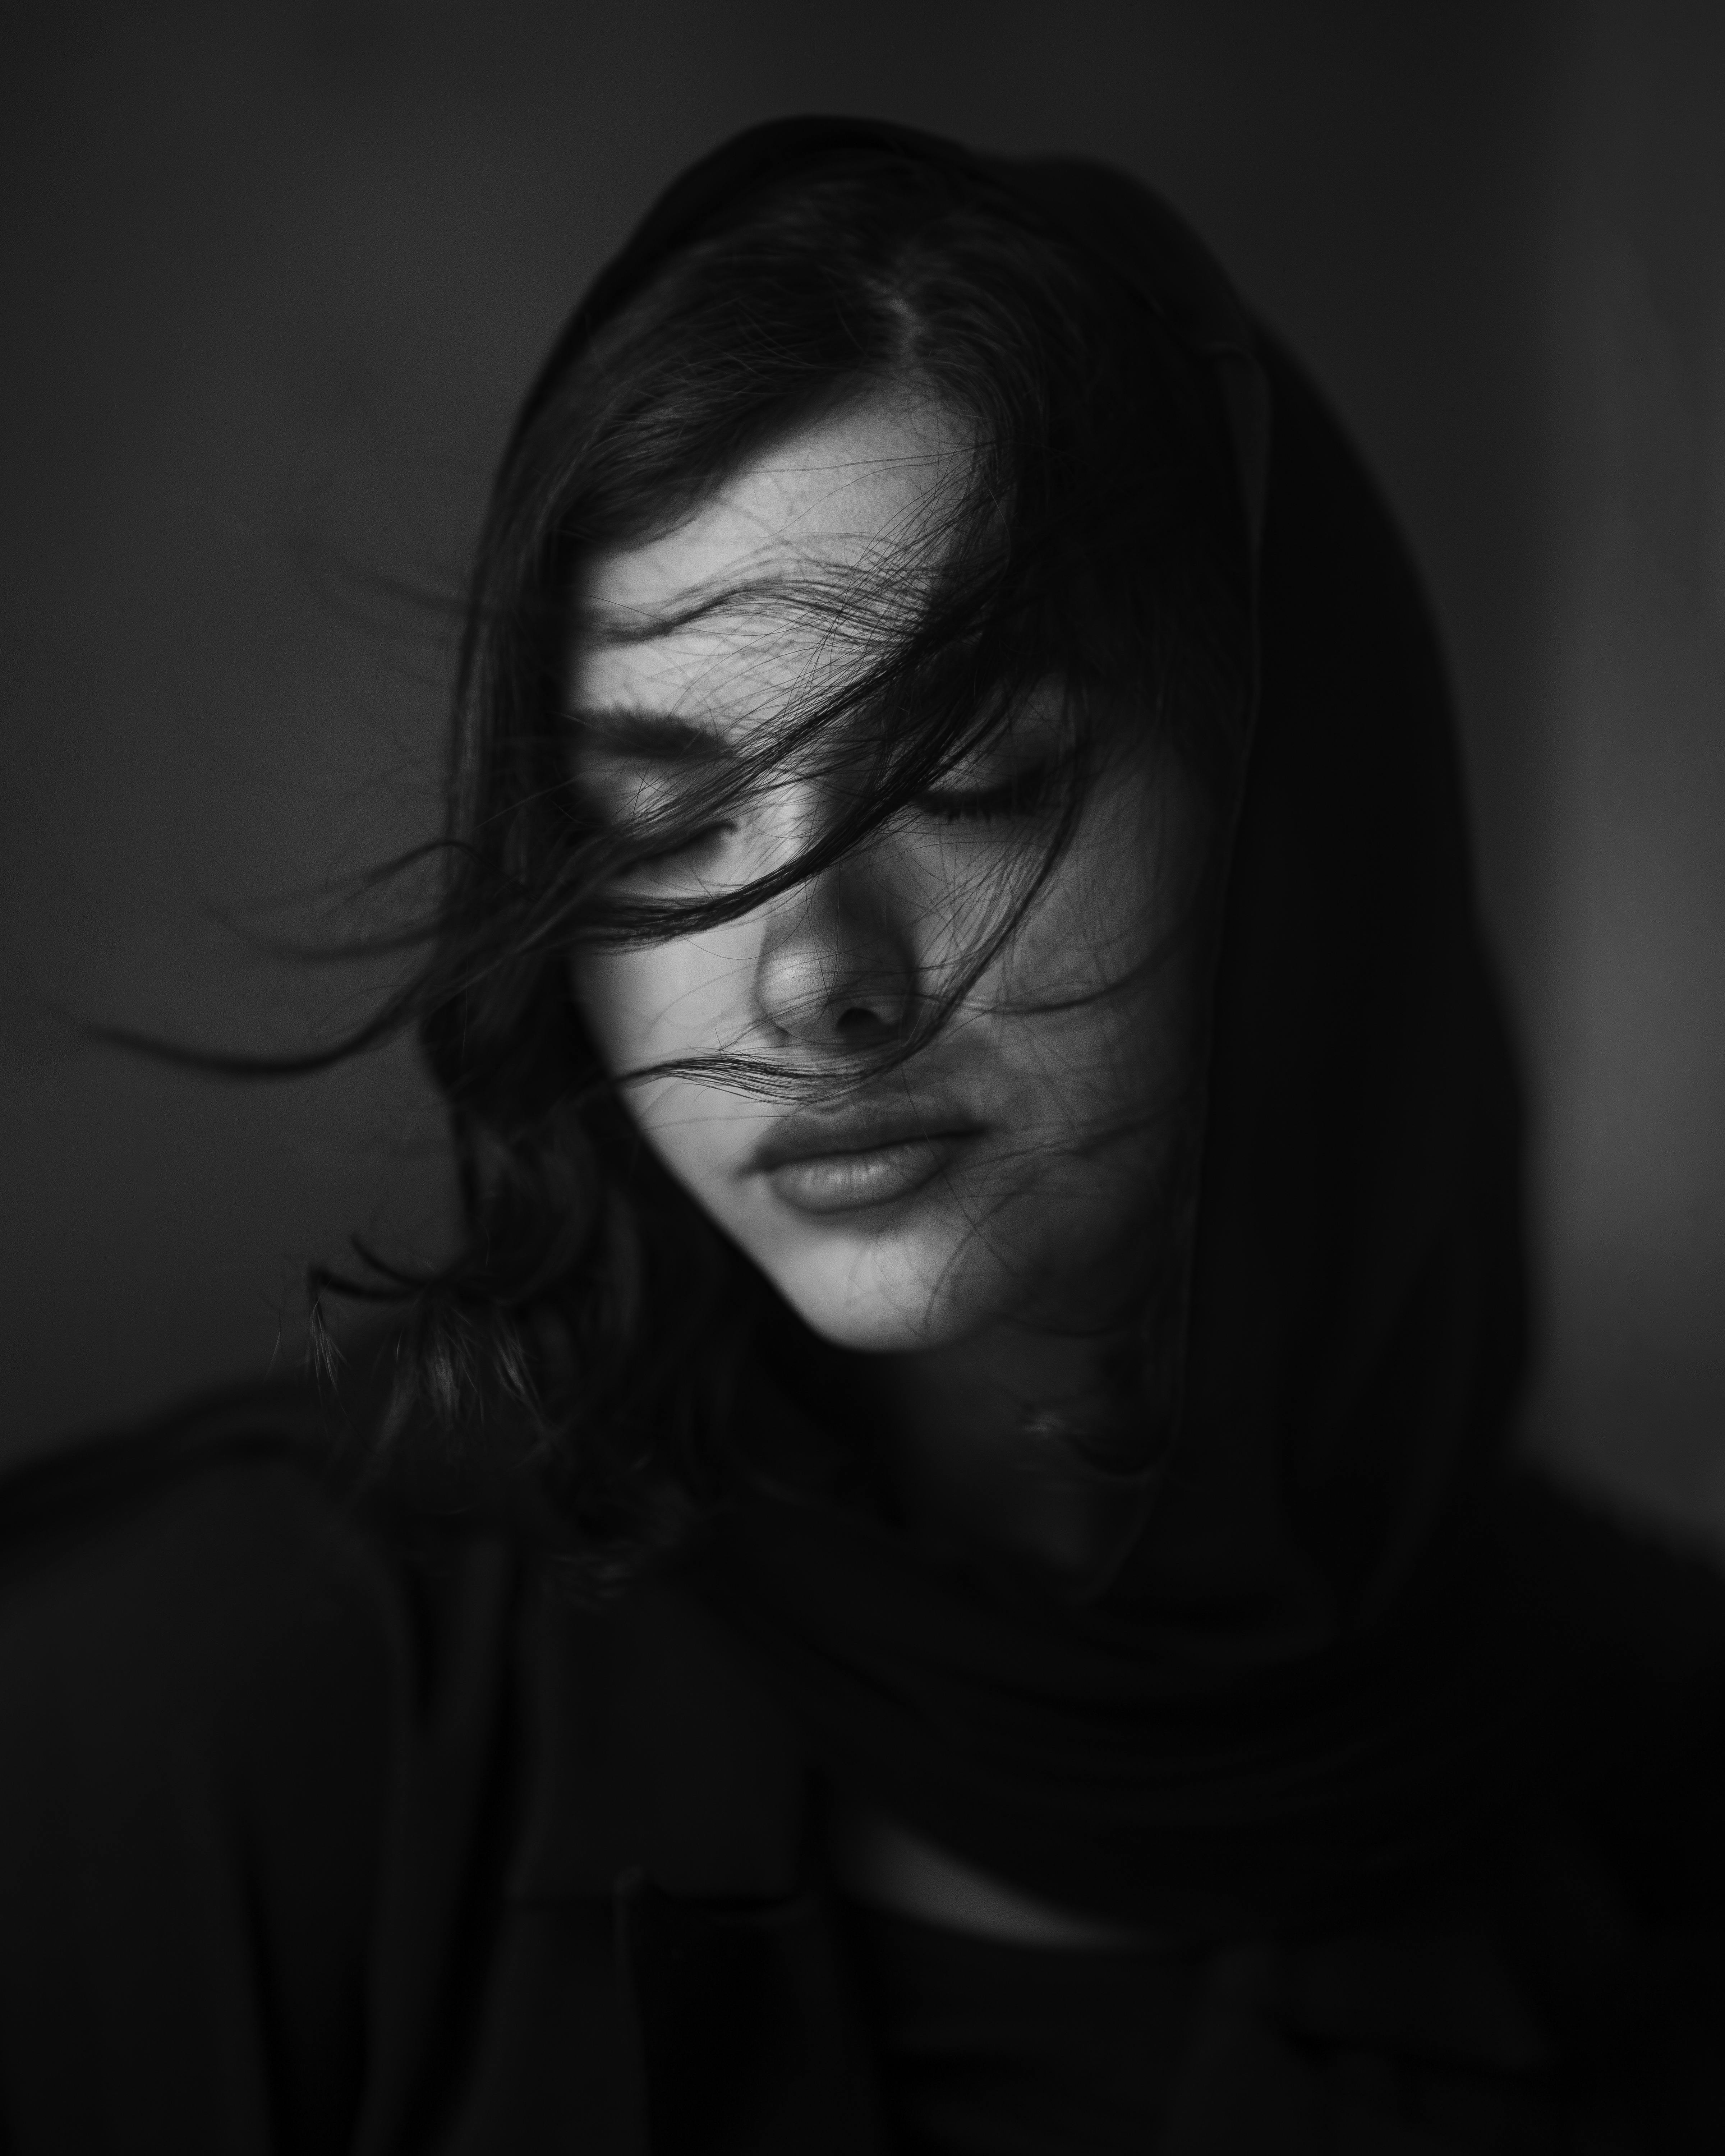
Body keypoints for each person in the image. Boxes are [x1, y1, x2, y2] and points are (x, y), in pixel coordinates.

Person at [1, 116, 1722, 2155]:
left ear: (1288, 820)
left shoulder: (1665, 1781)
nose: (810, 976)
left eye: (969, 777)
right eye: (659, 822)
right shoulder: (207, 1702)